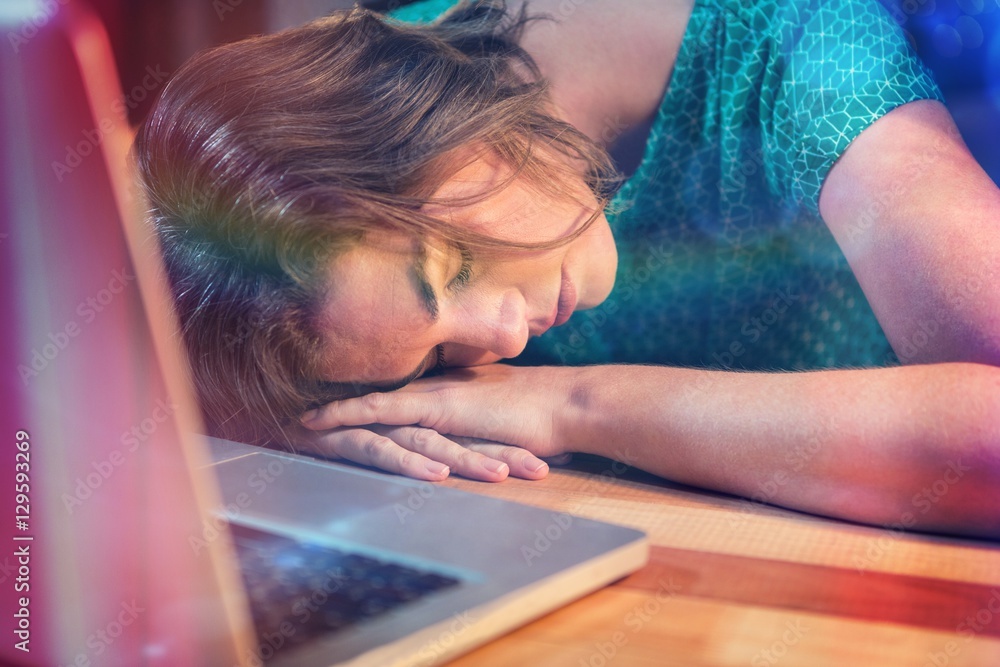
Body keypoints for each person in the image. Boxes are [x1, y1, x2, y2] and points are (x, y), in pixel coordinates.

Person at [133, 0, 1000, 538]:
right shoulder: (386, 147)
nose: (501, 340)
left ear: (433, 119)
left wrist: (575, 402)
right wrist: (286, 426)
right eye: (435, 363)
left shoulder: (794, 42)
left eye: (455, 268)